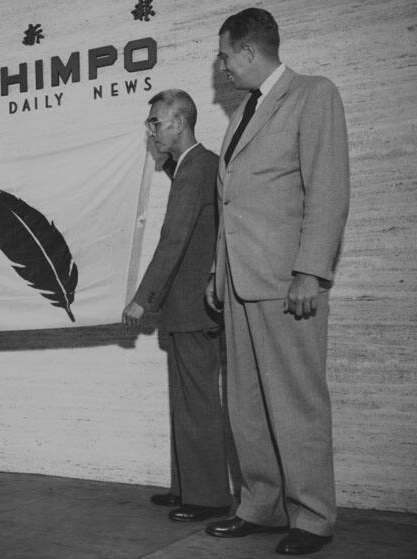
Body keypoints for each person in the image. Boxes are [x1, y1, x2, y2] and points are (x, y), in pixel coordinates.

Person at [204, 8, 350, 555]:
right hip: (241, 283)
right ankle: (261, 504)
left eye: (224, 55)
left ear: (247, 51)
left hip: (287, 281)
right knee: (246, 403)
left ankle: (312, 516)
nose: (221, 67)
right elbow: (233, 200)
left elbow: (328, 188)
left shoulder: (314, 94)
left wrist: (309, 271)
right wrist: (218, 272)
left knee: (296, 402)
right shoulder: (242, 114)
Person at [123, 90, 234, 523]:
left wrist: (142, 299)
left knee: (198, 401)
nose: (151, 131)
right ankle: (187, 487)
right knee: (185, 401)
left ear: (180, 122)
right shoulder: (192, 166)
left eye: (156, 122)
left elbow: (174, 241)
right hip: (187, 307)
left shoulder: (197, 168)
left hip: (192, 306)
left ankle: (208, 498)